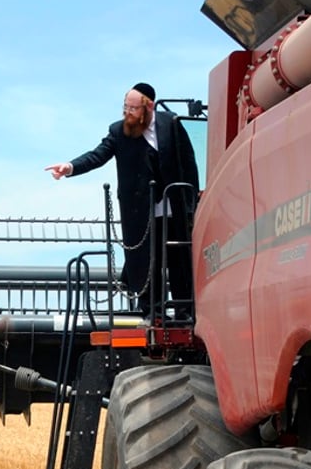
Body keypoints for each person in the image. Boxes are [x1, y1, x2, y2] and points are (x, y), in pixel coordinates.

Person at [45, 82, 200, 319]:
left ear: (148, 108)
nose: (127, 113)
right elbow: (98, 155)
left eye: (133, 108)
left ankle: (184, 310)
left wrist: (192, 201)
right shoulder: (119, 131)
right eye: (125, 107)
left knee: (179, 258)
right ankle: (153, 310)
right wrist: (70, 167)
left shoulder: (171, 123)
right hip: (140, 210)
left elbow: (189, 163)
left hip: (173, 206)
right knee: (147, 260)